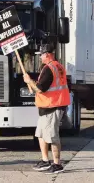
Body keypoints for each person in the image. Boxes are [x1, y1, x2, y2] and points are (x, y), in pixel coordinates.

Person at [23, 44, 70, 174]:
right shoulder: (57, 66)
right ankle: (45, 161)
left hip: (53, 106)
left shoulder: (49, 68)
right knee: (41, 134)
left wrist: (29, 81)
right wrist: (29, 82)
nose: (40, 57)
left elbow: (40, 88)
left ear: (48, 54)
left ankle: (57, 164)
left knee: (52, 136)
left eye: (42, 55)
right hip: (49, 106)